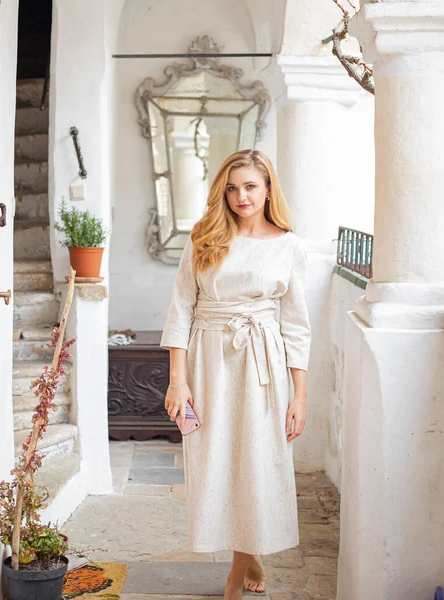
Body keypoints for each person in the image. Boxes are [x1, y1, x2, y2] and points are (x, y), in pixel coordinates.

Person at [160, 149, 311, 599]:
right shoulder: (204, 237)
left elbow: (297, 326)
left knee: (258, 462)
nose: (241, 196)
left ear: (268, 190)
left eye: (250, 186)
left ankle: (236, 571)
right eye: (232, 187)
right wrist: (177, 379)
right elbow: (181, 307)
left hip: (263, 363)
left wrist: (300, 395)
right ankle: (250, 552)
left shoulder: (289, 245)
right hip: (208, 360)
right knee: (216, 462)